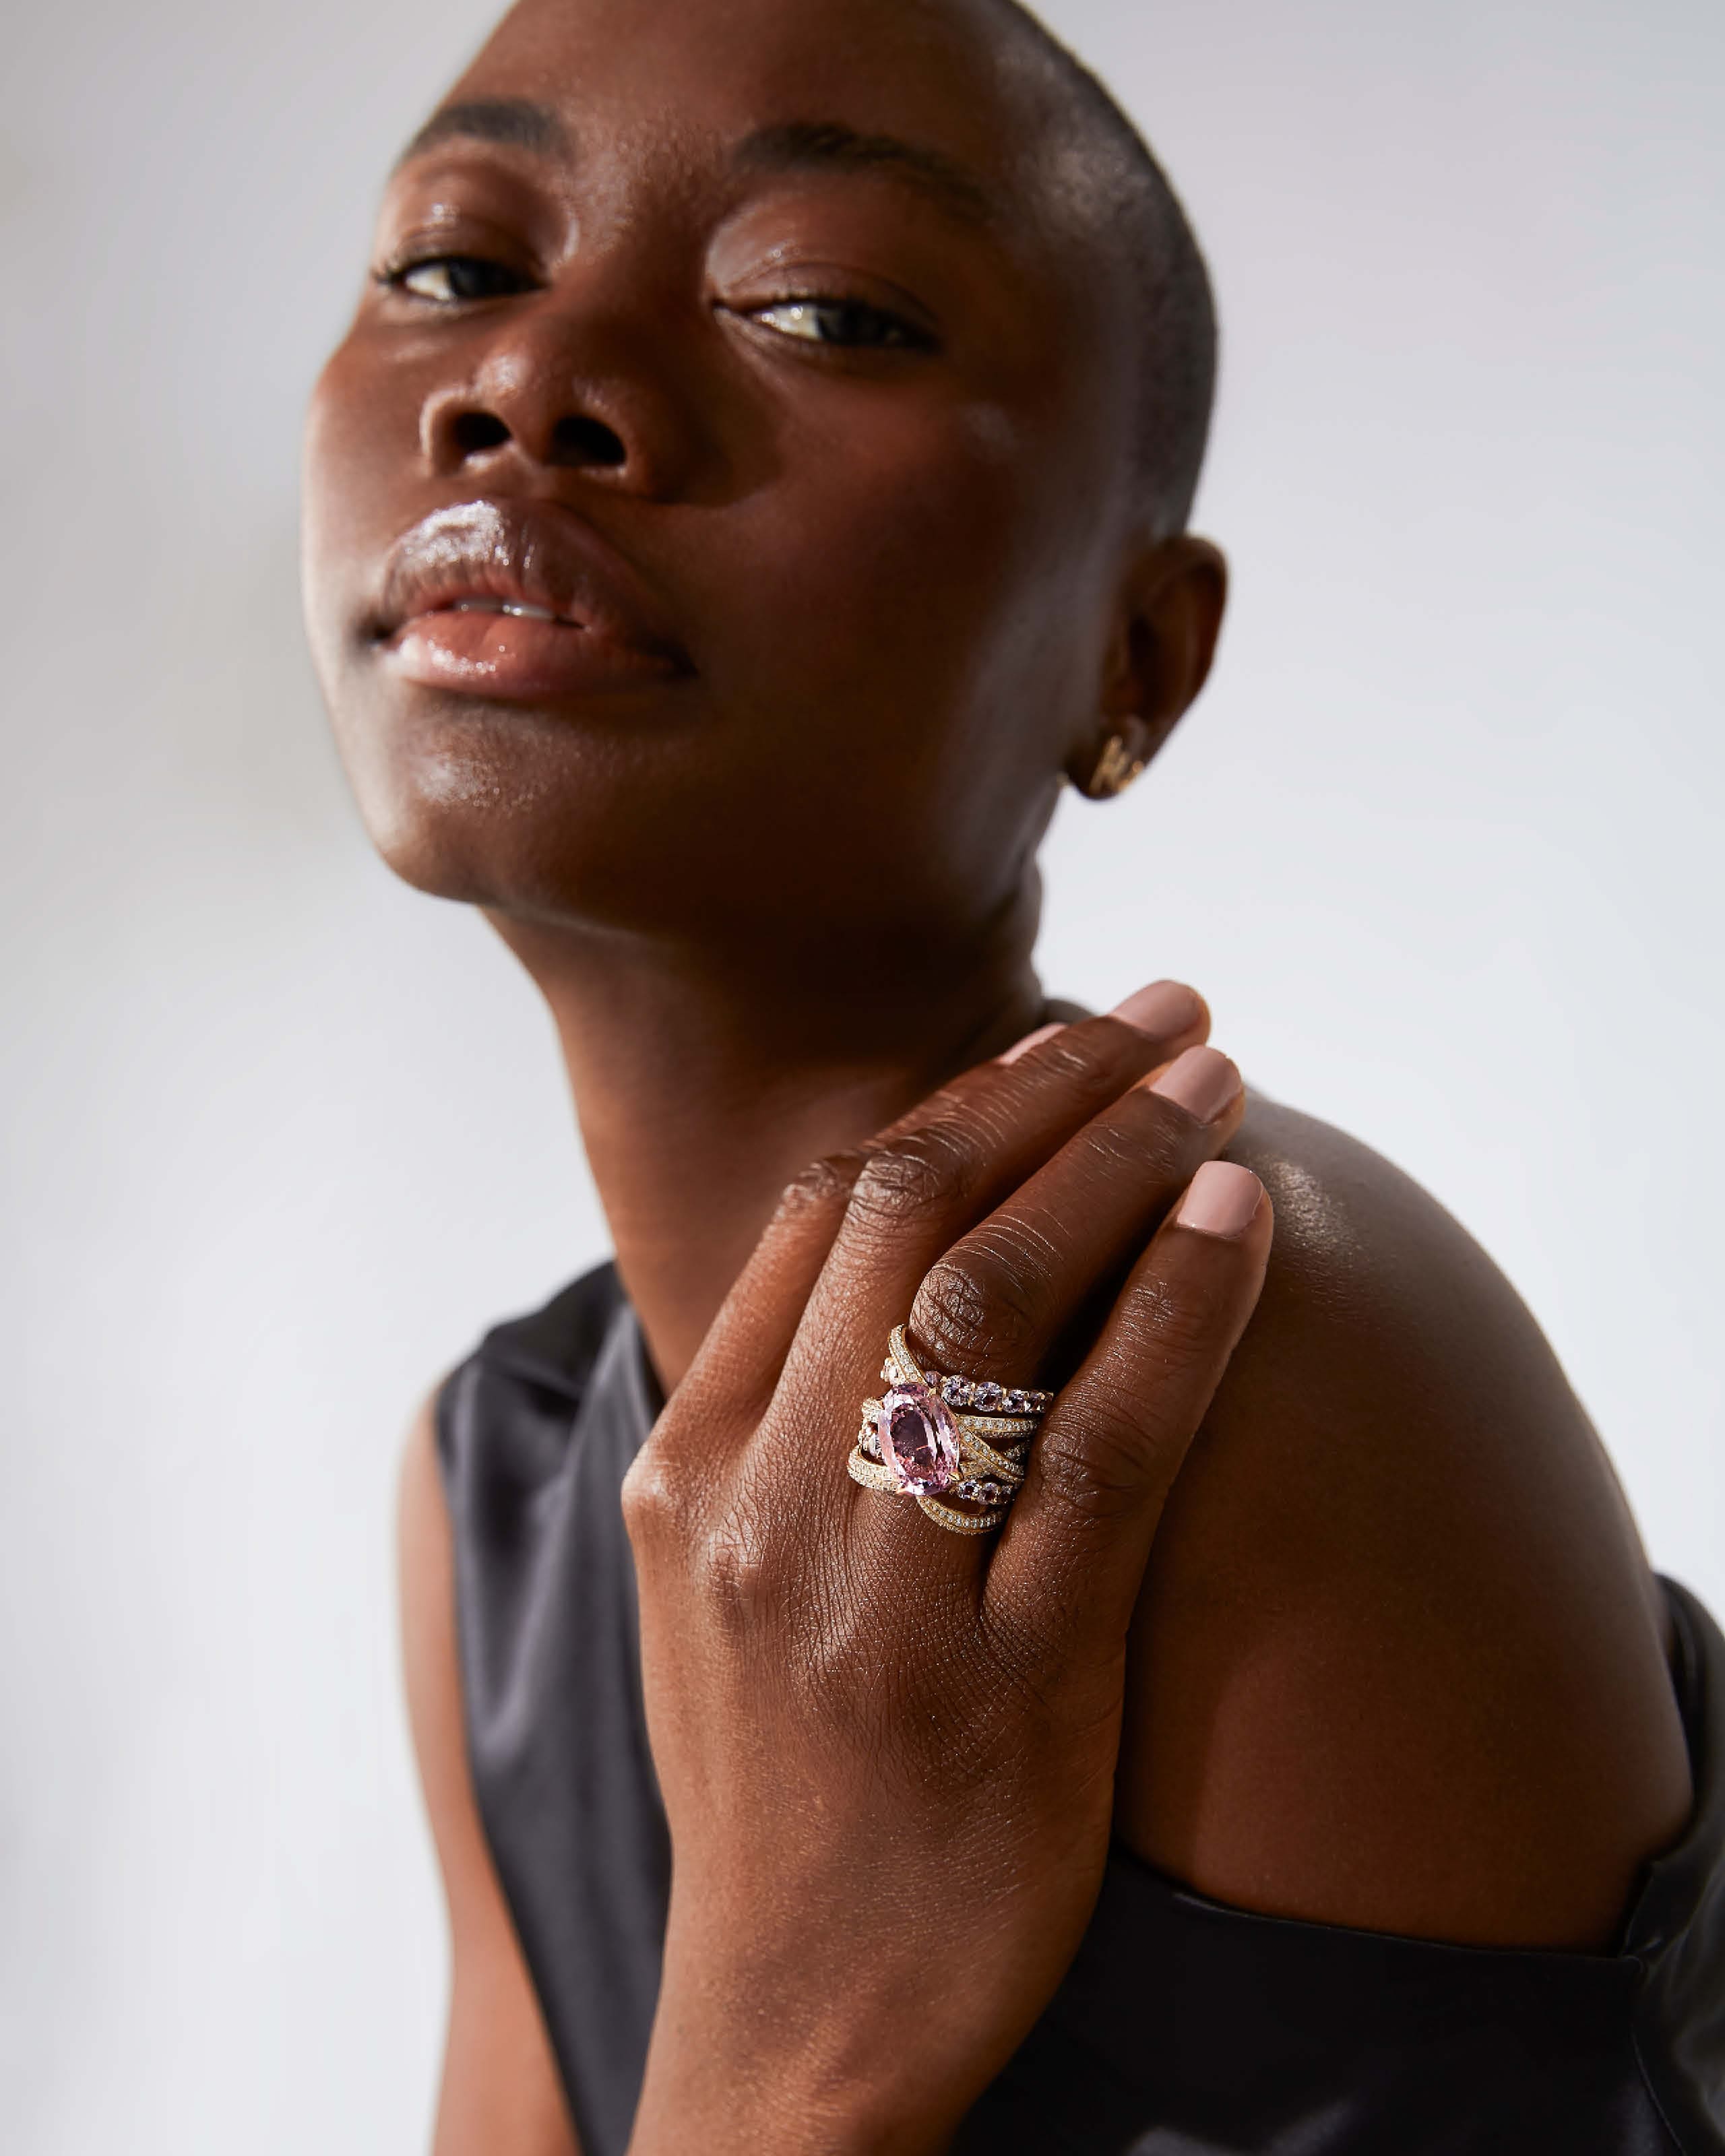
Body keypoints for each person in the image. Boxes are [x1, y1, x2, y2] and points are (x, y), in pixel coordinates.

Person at [300, 0, 1724, 2147]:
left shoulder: (1218, 1372)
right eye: (453, 264)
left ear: (1138, 658)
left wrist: (785, 2046)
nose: (525, 379)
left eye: (820, 305)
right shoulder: (497, 1480)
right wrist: (793, 2034)